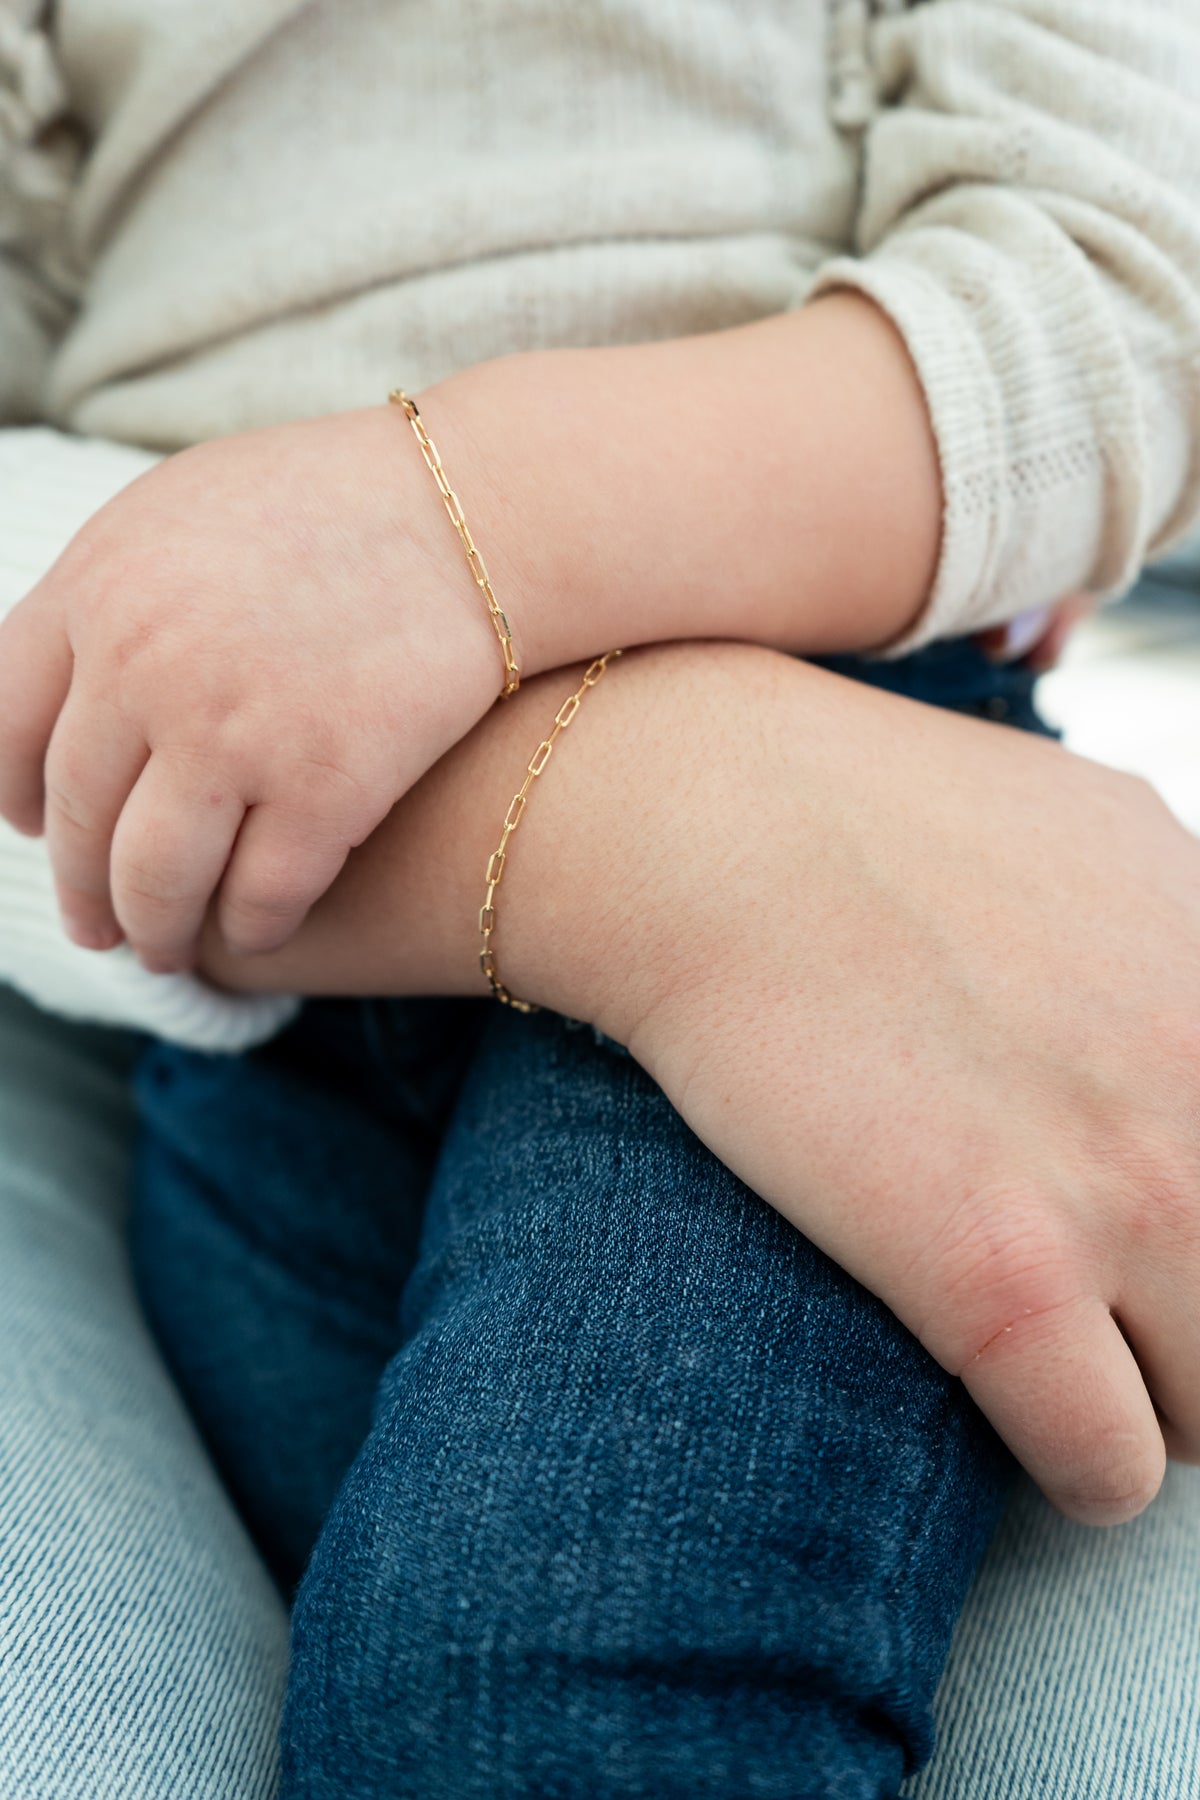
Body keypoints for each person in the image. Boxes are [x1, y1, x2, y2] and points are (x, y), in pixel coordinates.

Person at [1, 2, 1199, 1794]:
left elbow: (1124, 287)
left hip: (858, 833)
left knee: (520, 1692)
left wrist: (439, 523)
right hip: (248, 991)